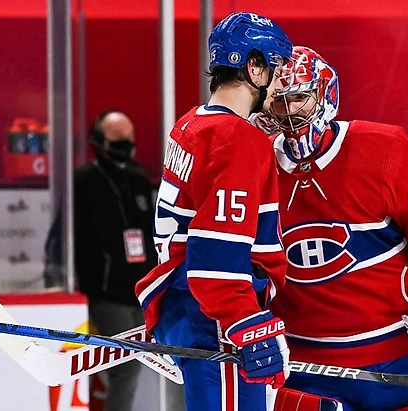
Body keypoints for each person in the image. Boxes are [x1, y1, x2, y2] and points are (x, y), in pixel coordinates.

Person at [251, 46, 408, 411]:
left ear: (324, 94)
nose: (289, 112)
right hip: (305, 370)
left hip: (406, 364)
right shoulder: (254, 167)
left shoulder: (382, 149)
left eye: (298, 98)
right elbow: (235, 267)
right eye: (277, 102)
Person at [134, 11, 294, 411]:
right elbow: (216, 253)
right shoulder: (237, 140)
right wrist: (245, 323)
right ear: (254, 67)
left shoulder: (193, 124)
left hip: (191, 307)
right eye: (274, 68)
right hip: (215, 318)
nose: (278, 83)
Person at [43, 110, 156, 411]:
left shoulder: (138, 180)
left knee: (151, 360)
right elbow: (61, 237)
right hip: (105, 294)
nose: (125, 144)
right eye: (117, 138)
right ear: (98, 141)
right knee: (126, 364)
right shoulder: (84, 182)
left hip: (140, 291)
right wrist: (55, 277)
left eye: (128, 138)